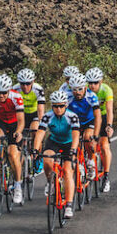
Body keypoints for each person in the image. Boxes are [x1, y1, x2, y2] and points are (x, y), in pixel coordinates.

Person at [34, 90, 80, 219]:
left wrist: (73, 150)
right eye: (55, 106)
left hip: (68, 142)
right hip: (53, 141)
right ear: (52, 106)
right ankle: (50, 181)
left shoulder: (72, 117)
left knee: (67, 171)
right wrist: (35, 149)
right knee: (47, 159)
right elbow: (40, 133)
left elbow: (76, 135)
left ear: (65, 105)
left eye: (61, 106)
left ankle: (69, 205)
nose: (58, 109)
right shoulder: (47, 116)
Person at [0, 74, 25, 205]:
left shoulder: (16, 97)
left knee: (12, 154)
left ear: (9, 91)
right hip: (0, 122)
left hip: (14, 124)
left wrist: (19, 131)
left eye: (4, 93)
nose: (1, 96)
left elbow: (21, 120)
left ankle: (17, 186)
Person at [66, 72, 101, 181]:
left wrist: (95, 136)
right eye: (74, 89)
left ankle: (90, 161)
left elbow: (98, 117)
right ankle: (77, 163)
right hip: (75, 122)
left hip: (88, 121)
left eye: (80, 89)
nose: (77, 92)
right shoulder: (68, 96)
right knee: (72, 143)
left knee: (87, 138)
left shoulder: (92, 97)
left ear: (85, 87)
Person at [85, 67, 113, 193]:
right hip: (90, 117)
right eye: (90, 82)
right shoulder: (84, 89)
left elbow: (109, 110)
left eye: (95, 83)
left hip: (102, 116)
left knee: (104, 145)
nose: (92, 85)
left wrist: (109, 125)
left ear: (101, 81)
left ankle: (106, 176)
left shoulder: (106, 90)